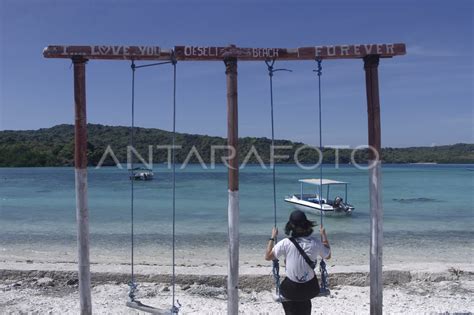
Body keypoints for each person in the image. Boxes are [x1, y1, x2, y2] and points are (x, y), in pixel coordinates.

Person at [265, 210, 331, 315]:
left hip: (290, 291)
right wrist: (323, 235)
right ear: (306, 225)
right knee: (304, 302)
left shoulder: (285, 243)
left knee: (291, 302)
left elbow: (268, 256)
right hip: (310, 289)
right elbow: (328, 255)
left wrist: (272, 237)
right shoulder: (315, 242)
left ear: (290, 226)